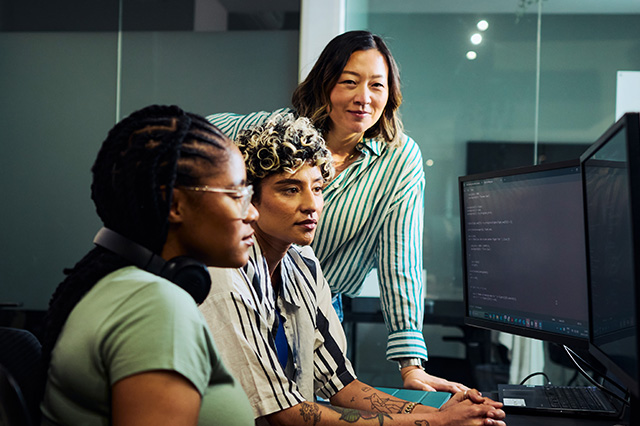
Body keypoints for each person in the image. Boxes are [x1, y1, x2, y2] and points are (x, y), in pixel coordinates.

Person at [199, 112, 506, 426]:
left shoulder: (302, 263)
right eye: (290, 189)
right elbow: (285, 415)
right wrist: (438, 424)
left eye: (317, 188)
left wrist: (448, 414)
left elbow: (342, 384)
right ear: (251, 198)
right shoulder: (224, 274)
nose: (312, 205)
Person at [207, 30, 461, 392]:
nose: (364, 98)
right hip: (247, 294)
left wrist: (411, 367)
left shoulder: (399, 159)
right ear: (325, 84)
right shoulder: (281, 131)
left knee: (315, 403)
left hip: (317, 307)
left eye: (377, 85)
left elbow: (400, 262)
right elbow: (197, 135)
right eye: (349, 82)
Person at [39, 105, 257, 426]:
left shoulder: (123, 287)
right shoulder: (156, 308)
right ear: (175, 204)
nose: (252, 213)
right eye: (237, 194)